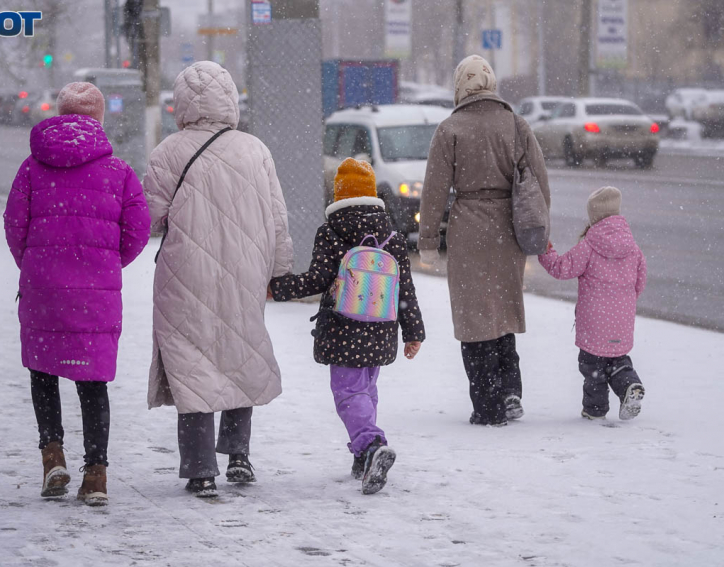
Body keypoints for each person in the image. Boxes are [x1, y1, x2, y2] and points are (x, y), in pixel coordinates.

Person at [143, 61, 293, 498]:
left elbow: (152, 217)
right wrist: (279, 272)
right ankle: (239, 453)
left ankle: (200, 468)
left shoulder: (167, 152)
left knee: (192, 364)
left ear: (182, 102)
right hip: (247, 269)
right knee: (237, 350)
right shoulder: (255, 149)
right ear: (229, 98)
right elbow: (277, 217)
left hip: (184, 270)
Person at [3, 82, 151, 505]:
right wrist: (106, 262)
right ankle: (97, 475)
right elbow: (139, 228)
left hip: (43, 286)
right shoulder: (118, 171)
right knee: (93, 381)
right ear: (99, 120)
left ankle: (52, 457)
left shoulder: (32, 168)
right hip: (95, 292)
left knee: (43, 372)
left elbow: (15, 224)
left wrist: (34, 265)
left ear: (61, 114)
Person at [270, 158, 425, 495]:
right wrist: (414, 333)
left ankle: (371, 446)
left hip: (344, 330)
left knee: (348, 394)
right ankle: (361, 454)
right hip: (381, 330)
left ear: (339, 195)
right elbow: (405, 288)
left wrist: (278, 288)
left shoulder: (332, 231)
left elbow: (318, 279)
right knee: (365, 390)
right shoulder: (392, 235)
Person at [417, 55, 551, 427]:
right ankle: (510, 391)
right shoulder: (516, 124)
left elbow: (434, 190)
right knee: (503, 311)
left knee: (474, 316)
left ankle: (487, 404)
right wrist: (539, 230)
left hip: (468, 228)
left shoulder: (450, 129)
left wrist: (428, 239)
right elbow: (539, 182)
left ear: (460, 85)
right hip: (507, 229)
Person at [538, 187, 647, 420]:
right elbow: (641, 281)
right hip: (622, 320)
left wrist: (546, 251)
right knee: (618, 360)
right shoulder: (633, 247)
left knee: (592, 367)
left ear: (593, 216)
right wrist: (624, 304)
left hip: (594, 321)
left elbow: (561, 268)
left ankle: (594, 410)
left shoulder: (589, 245)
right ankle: (629, 384)